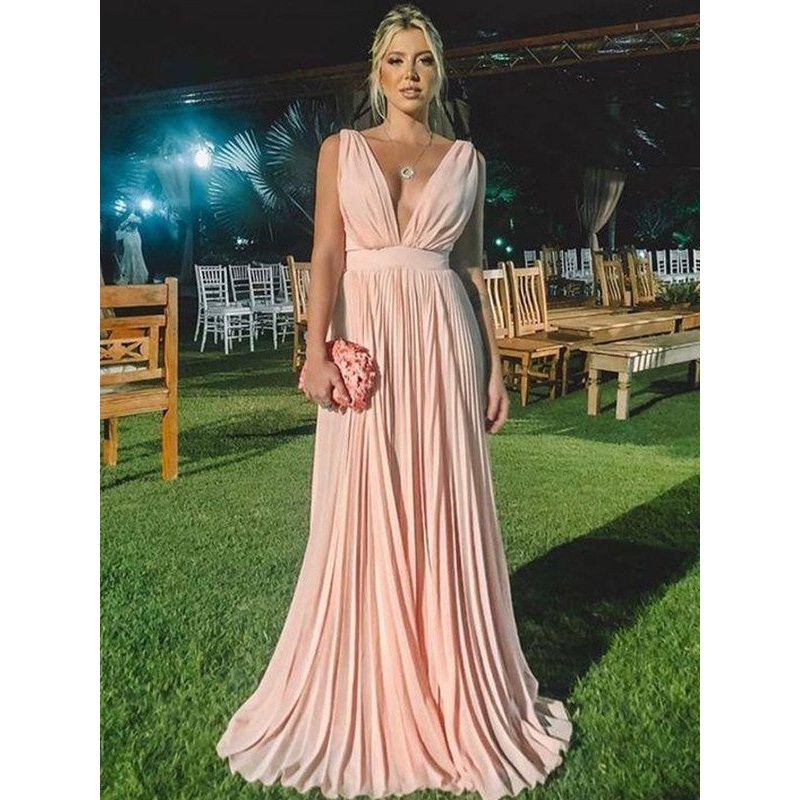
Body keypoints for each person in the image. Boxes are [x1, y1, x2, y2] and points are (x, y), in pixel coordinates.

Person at [216, 5, 572, 798]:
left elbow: (471, 271)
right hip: (368, 341)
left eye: (424, 60)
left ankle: (449, 676)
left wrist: (493, 368)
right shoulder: (341, 150)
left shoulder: (467, 161)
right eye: (396, 60)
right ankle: (371, 673)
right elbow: (327, 253)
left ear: (440, 72)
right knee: (364, 501)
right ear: (375, 73)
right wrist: (314, 350)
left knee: (441, 501)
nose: (411, 74)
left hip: (443, 343)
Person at [114, 211, 149, 284]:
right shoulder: (125, 215)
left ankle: (138, 275)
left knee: (137, 254)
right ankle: (128, 274)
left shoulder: (140, 215)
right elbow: (120, 227)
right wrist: (127, 223)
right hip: (128, 236)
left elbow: (140, 223)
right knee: (129, 254)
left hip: (135, 236)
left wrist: (133, 222)